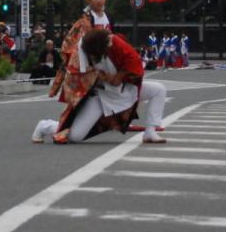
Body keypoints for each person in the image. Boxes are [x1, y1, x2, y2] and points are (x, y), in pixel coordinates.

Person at [32, 27, 168, 145]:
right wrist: (96, 78)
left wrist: (119, 75)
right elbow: (76, 80)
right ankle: (45, 126)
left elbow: (133, 63)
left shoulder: (114, 42)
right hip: (99, 97)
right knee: (75, 136)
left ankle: (150, 131)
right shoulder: (81, 53)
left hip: (122, 90)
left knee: (158, 90)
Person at [51, 0, 113, 98]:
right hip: (87, 57)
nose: (99, 1)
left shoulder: (108, 18)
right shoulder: (84, 21)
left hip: (105, 55)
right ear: (89, 0)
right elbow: (72, 40)